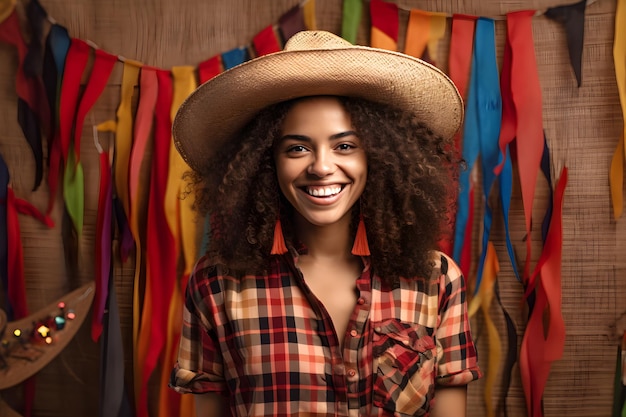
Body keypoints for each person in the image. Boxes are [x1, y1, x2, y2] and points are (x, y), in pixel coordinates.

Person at [169, 30, 481, 417]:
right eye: (297, 148)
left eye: (345, 146)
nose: (320, 166)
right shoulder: (216, 283)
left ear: (379, 158)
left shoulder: (437, 280)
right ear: (264, 164)